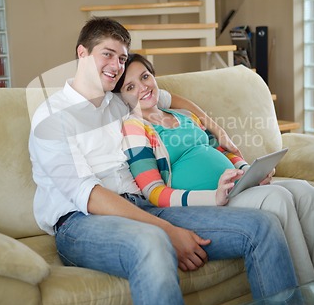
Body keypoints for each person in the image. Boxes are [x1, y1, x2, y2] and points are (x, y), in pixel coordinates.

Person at [29, 17, 299, 305]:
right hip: (83, 221)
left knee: (262, 226)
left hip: (146, 207)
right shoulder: (51, 115)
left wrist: (217, 130)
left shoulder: (119, 98)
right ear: (82, 54)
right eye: (107, 53)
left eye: (122, 57)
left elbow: (172, 101)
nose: (116, 64)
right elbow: (89, 196)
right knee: (153, 242)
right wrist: (168, 229)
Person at [116, 53, 314, 286]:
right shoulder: (135, 128)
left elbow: (220, 150)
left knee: (303, 190)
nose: (142, 88)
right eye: (131, 86)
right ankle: (305, 296)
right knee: (277, 198)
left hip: (235, 186)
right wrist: (214, 196)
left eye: (145, 76)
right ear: (123, 98)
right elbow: (153, 192)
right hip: (208, 202)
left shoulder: (184, 115)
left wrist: (249, 170)